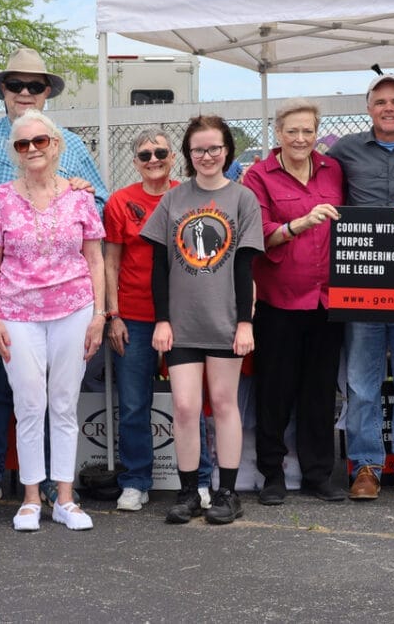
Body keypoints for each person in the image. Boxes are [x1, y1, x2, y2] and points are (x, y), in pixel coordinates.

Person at [0, 48, 108, 510]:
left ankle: (52, 484)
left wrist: (79, 191)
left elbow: (97, 207)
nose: (24, 93)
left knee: (55, 392)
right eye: (15, 85)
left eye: (34, 86)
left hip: (64, 296)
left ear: (47, 92)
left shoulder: (71, 145)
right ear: (1, 89)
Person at [0, 110, 105, 532]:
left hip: (74, 308)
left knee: (65, 403)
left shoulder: (81, 197)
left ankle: (65, 498)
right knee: (30, 402)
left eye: (40, 141)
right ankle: (31, 498)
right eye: (23, 144)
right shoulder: (1, 198)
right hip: (17, 311)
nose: (32, 149)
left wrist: (100, 315)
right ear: (14, 151)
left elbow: (95, 258)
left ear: (56, 144)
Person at [141, 115, 264, 525]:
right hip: (182, 324)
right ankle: (190, 490)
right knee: (185, 406)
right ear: (188, 155)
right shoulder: (173, 199)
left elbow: (245, 267)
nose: (207, 156)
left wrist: (245, 323)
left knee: (226, 404)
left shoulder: (243, 200)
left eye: (214, 148)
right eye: (199, 150)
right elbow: (158, 267)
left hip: (225, 322)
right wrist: (162, 320)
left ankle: (226, 493)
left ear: (227, 150)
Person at [326, 73, 394, 502]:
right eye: (379, 101)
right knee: (361, 382)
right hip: (363, 282)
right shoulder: (344, 150)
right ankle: (366, 467)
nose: (388, 108)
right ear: (368, 108)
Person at [104, 128, 214, 512]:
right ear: (135, 162)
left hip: (184, 318)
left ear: (173, 157)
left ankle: (200, 480)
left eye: (161, 153)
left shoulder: (192, 196)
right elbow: (111, 262)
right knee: (134, 404)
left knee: (189, 404)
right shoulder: (120, 202)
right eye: (145, 155)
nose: (154, 160)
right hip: (133, 317)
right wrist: (112, 315)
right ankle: (136, 481)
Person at [242, 99, 346, 505]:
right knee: (276, 391)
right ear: (278, 134)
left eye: (308, 130)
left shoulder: (333, 169)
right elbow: (258, 233)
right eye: (292, 131)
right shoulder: (258, 176)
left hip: (327, 298)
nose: (300, 138)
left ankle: (319, 474)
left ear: (317, 133)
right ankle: (272, 474)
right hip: (279, 299)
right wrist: (298, 224)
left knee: (320, 392)